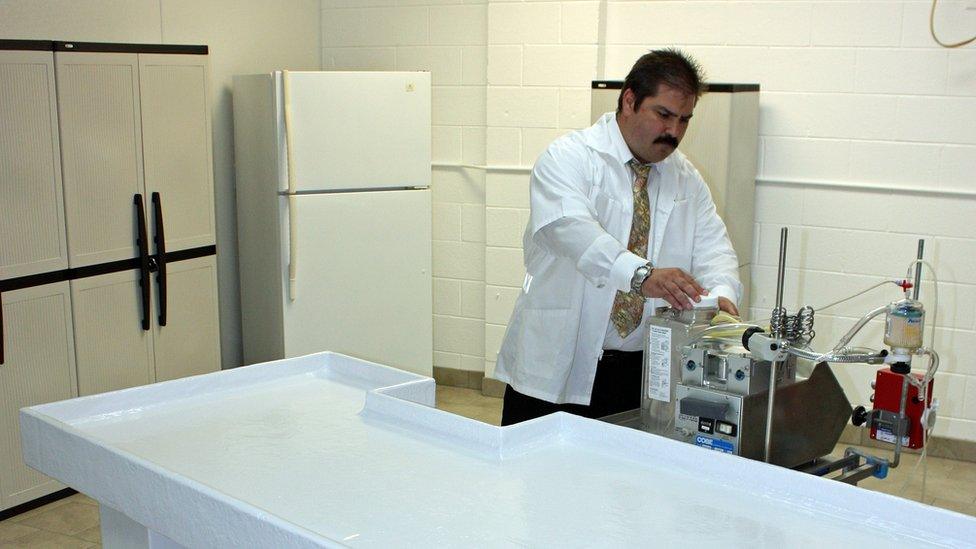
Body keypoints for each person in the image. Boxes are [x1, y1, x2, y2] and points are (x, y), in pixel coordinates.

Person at [494, 49, 742, 426]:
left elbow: (713, 247)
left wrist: (722, 297)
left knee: (621, 481)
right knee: (536, 478)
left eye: (684, 120)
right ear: (629, 100)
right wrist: (641, 274)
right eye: (664, 115)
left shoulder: (685, 178)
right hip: (558, 363)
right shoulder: (569, 157)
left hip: (640, 371)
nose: (674, 132)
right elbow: (571, 231)